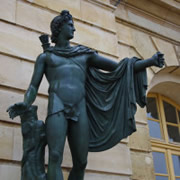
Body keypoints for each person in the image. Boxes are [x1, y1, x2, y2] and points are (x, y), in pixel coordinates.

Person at [7, 10, 164, 180]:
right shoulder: (46, 57)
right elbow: (33, 87)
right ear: (59, 28)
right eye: (70, 25)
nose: (74, 29)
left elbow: (119, 67)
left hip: (80, 109)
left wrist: (150, 61)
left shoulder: (84, 54)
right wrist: (26, 103)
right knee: (54, 157)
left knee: (81, 162)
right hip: (57, 108)